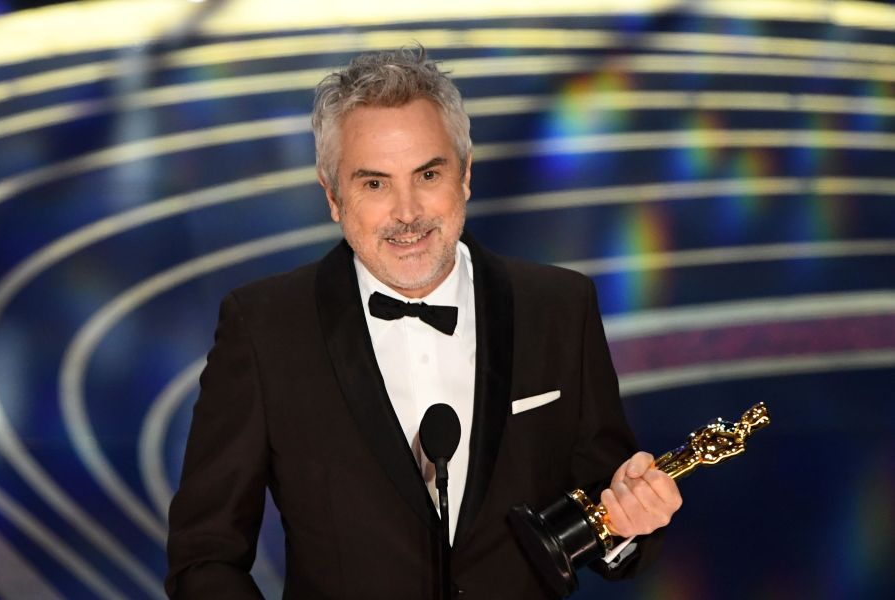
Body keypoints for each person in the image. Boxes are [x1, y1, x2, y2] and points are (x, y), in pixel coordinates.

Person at [165, 45, 682, 599]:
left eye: (428, 173)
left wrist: (629, 523)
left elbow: (605, 514)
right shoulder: (265, 327)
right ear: (333, 197)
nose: (407, 213)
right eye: (374, 183)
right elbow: (205, 557)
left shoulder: (559, 306)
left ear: (464, 175)